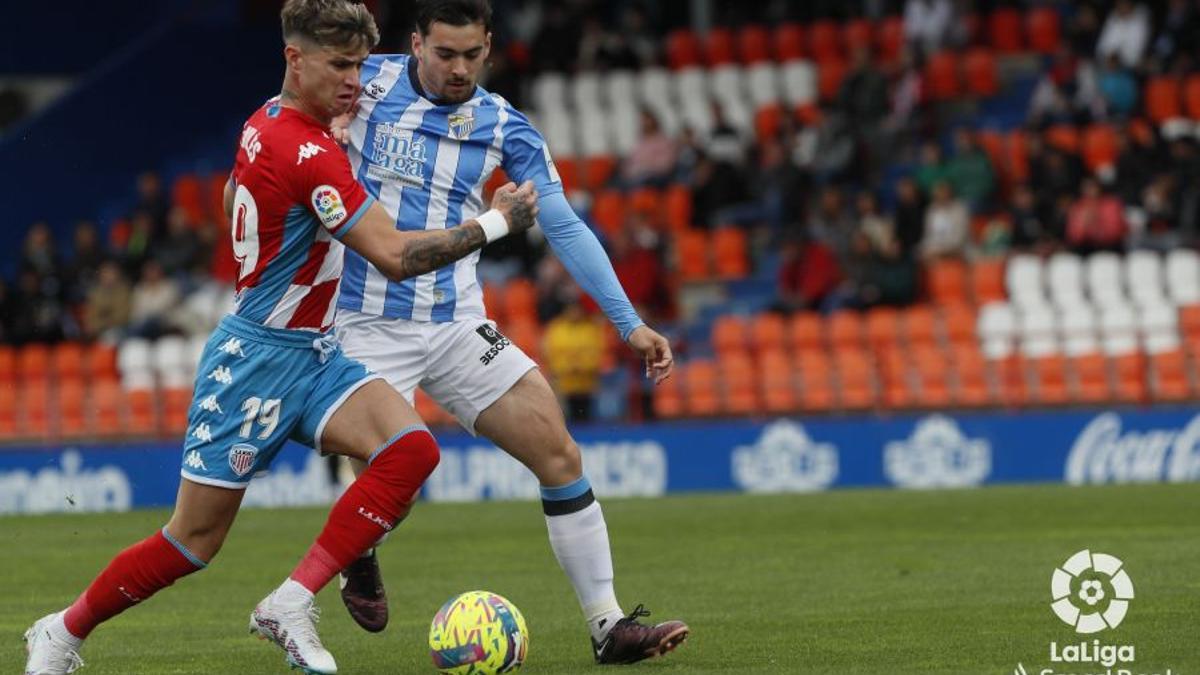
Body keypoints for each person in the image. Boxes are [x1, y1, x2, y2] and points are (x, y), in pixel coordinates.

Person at [22, 2, 537, 673]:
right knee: (193, 541)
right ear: (295, 59)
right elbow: (393, 256)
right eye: (339, 65)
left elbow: (244, 186)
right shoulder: (309, 151)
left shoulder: (266, 118)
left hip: (315, 354)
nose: (354, 80)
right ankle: (62, 630)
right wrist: (495, 223)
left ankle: (290, 601)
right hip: (255, 362)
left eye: (358, 64)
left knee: (410, 450)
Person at [329, 0, 688, 665]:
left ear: (489, 45)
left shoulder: (502, 125)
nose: (459, 68)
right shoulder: (362, 82)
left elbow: (563, 223)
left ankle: (608, 626)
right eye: (445, 54)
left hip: (457, 320)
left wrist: (629, 322)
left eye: (472, 54)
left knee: (559, 452)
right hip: (363, 320)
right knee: (394, 480)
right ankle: (363, 551)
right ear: (415, 44)